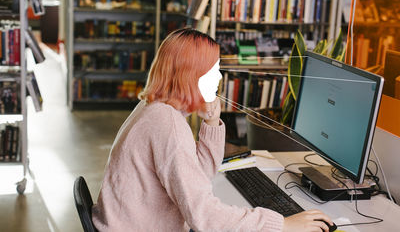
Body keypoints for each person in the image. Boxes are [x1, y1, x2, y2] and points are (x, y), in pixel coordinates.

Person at [92, 28, 334, 231]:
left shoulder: (155, 106)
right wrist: (281, 224)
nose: (219, 76)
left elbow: (197, 176)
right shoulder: (167, 125)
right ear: (192, 75)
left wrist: (210, 123)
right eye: (214, 69)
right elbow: (204, 217)